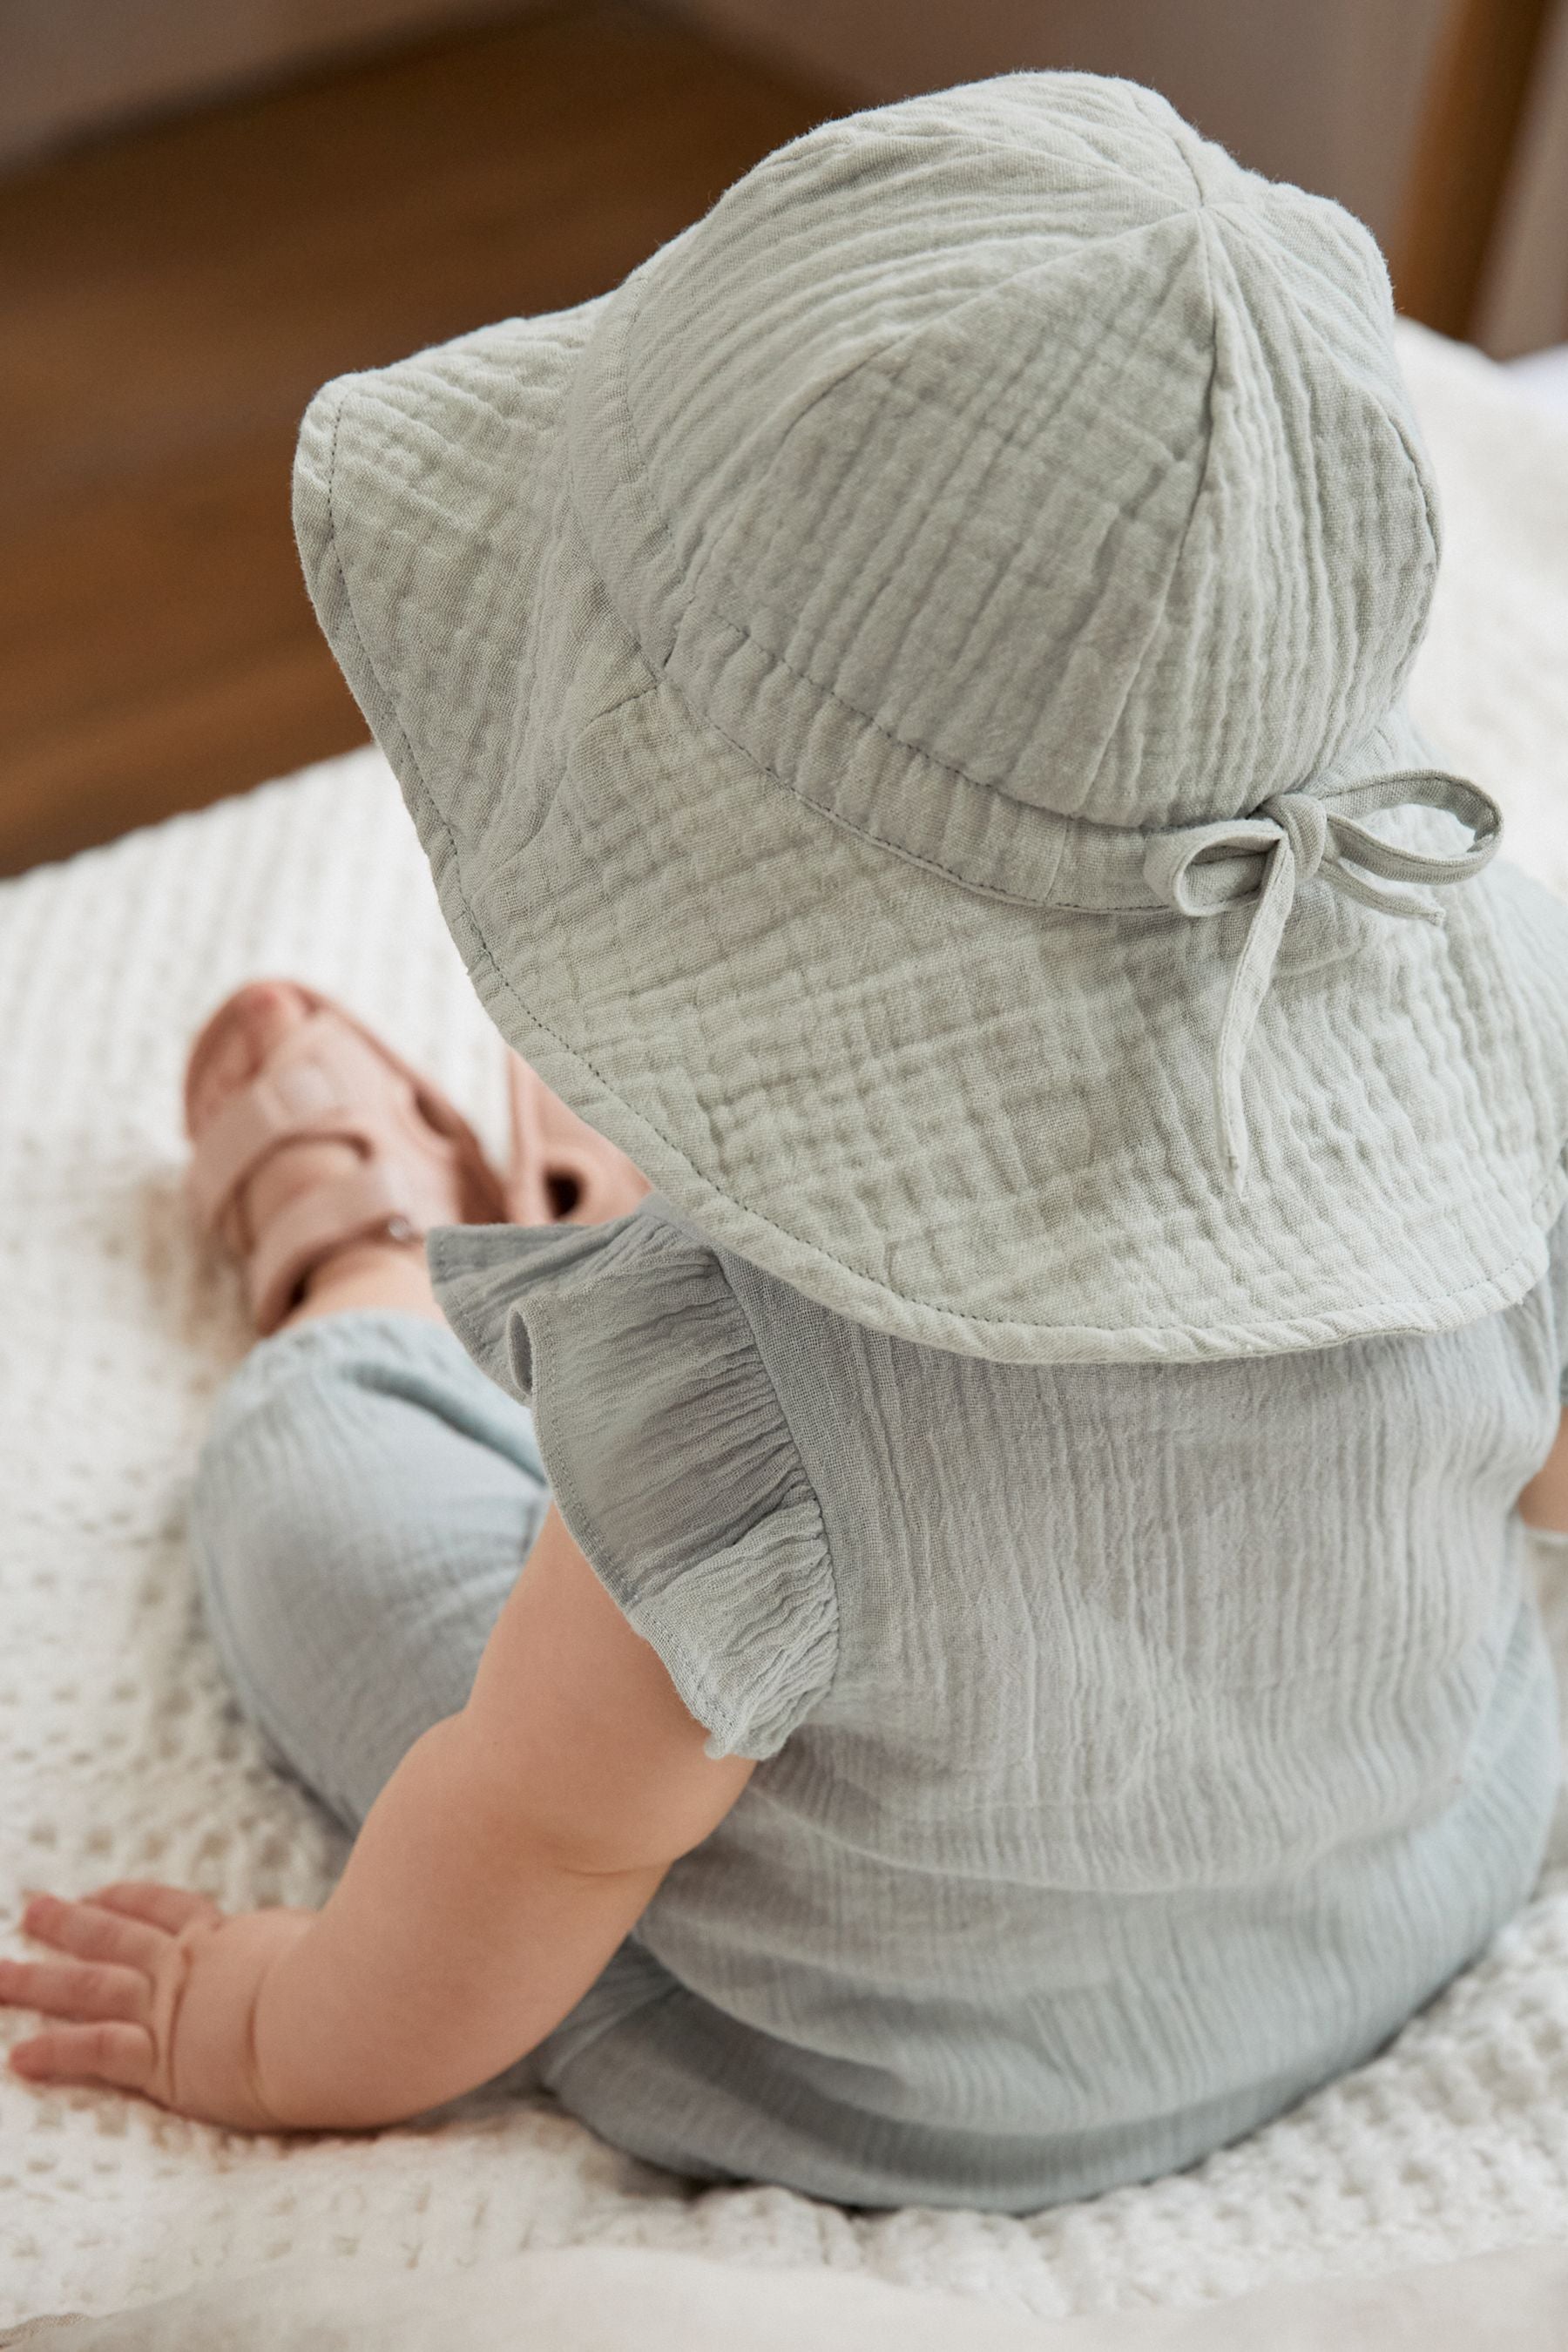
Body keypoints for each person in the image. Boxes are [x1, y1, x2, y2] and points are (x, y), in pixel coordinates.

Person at [6, 71, 1568, 2216]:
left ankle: (367, 1273)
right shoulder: (1507, 1027)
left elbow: (536, 1838)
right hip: (1408, 1878)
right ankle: (708, 1207)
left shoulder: (741, 1404)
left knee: (316, 1493)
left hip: (904, 2072)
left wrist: (263, 2025)